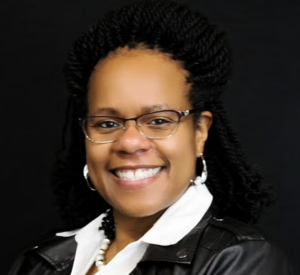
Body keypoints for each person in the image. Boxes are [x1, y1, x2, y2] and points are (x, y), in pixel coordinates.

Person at [9, 0, 294, 274]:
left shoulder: (242, 261)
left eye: (159, 121)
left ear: (199, 133)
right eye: (107, 123)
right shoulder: (41, 261)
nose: (130, 143)